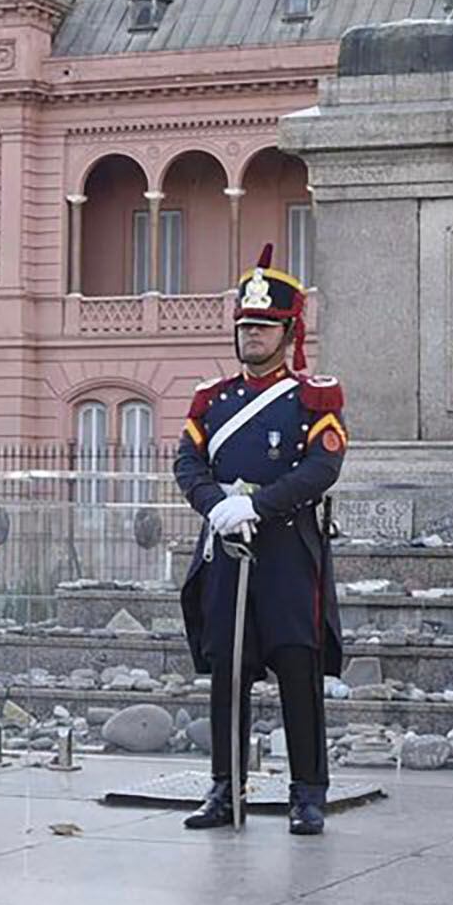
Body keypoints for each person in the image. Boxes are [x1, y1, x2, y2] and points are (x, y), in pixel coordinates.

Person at [175, 247, 347, 834]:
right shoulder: (211, 400)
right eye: (246, 327)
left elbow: (323, 469)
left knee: (298, 672)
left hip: (285, 556)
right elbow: (187, 463)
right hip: (227, 549)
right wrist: (218, 505)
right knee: (227, 674)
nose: (252, 337)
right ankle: (225, 788)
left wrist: (258, 504)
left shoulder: (312, 399)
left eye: (264, 327)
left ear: (288, 332)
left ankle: (307, 792)